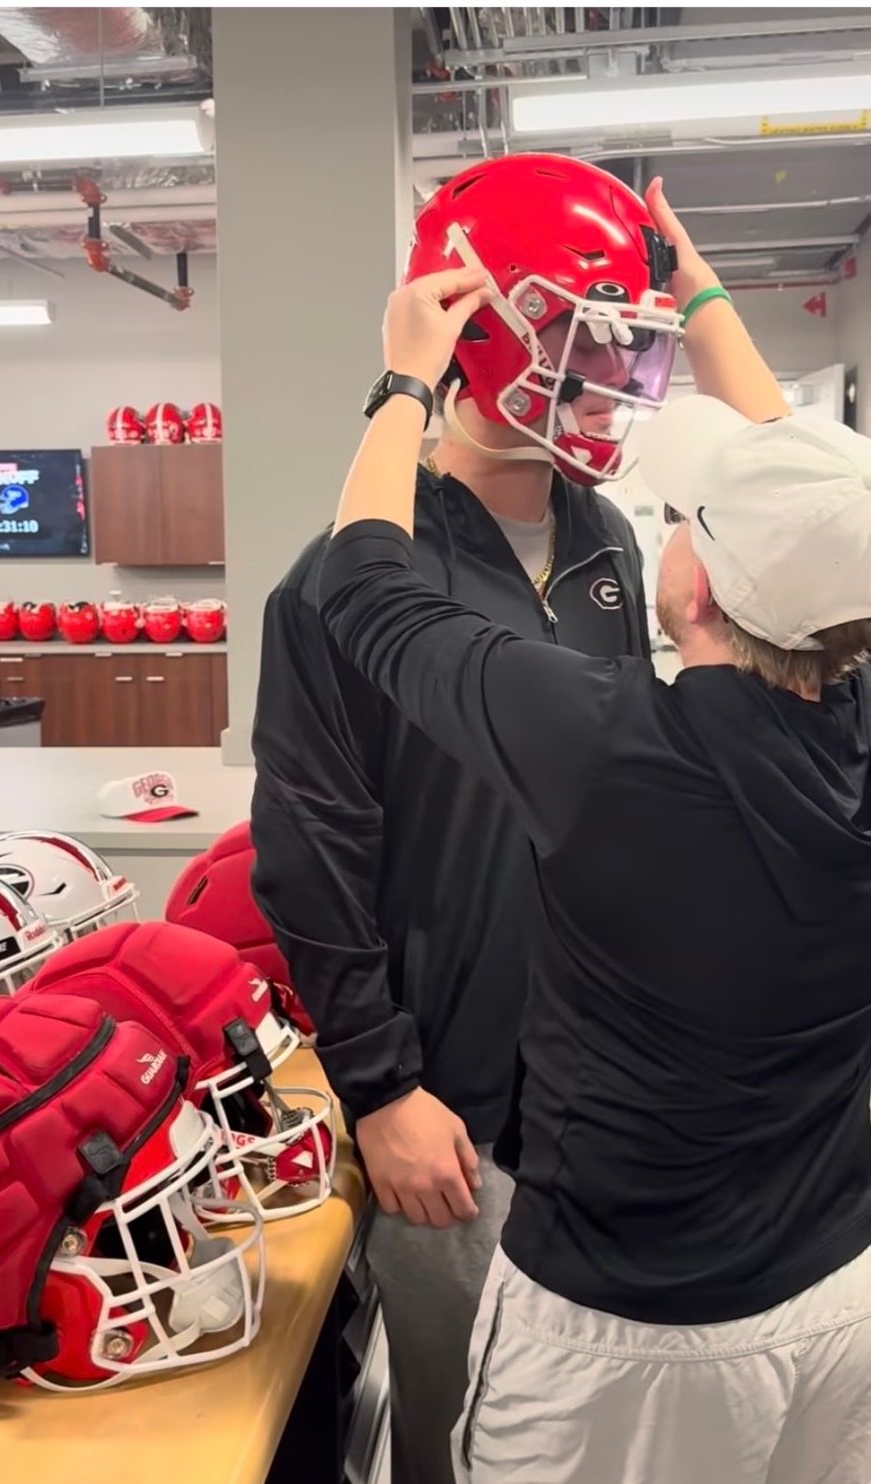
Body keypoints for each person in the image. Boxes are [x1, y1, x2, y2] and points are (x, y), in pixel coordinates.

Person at [315, 178, 871, 1484]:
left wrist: (403, 380)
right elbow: (805, 479)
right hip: (840, 1292)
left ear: (693, 580)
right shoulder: (849, 714)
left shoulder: (614, 750)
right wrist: (692, 282)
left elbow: (365, 591)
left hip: (628, 1337)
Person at [249, 154, 682, 1484]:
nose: (606, 383)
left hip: (609, 1090)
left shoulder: (606, 533)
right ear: (480, 335)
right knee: (468, 1434)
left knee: (608, 1426)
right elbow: (312, 852)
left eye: (625, 351)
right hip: (451, 1108)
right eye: (578, 344)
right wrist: (382, 1088)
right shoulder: (346, 575)